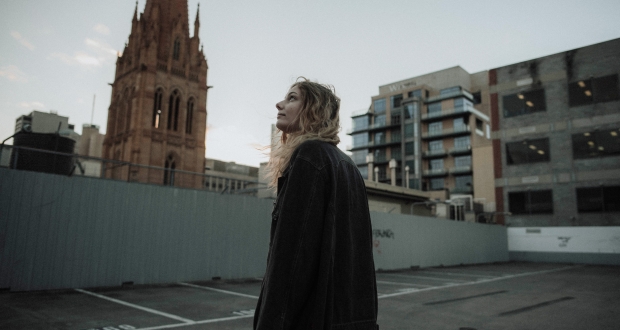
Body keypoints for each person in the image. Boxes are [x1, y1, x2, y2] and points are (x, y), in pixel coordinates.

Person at [253, 78, 379, 330]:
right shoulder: (348, 165)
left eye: (292, 98)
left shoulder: (309, 156)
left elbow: (292, 258)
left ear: (315, 109)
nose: (279, 104)